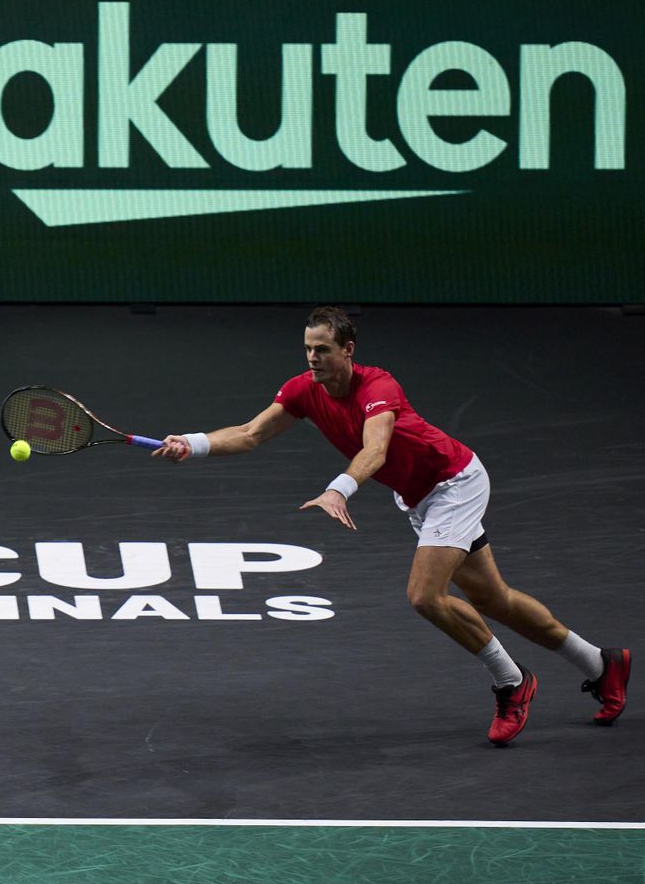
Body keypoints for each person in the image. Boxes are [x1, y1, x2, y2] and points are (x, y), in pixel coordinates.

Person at [154, 306, 629, 746]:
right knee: (493, 599)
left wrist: (339, 489)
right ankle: (601, 662)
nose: (313, 358)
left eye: (323, 349)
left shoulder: (378, 387)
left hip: (454, 483)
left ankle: (512, 681)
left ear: (348, 350)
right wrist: (193, 443)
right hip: (420, 498)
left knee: (425, 596)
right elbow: (250, 433)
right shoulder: (302, 389)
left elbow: (375, 450)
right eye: (308, 349)